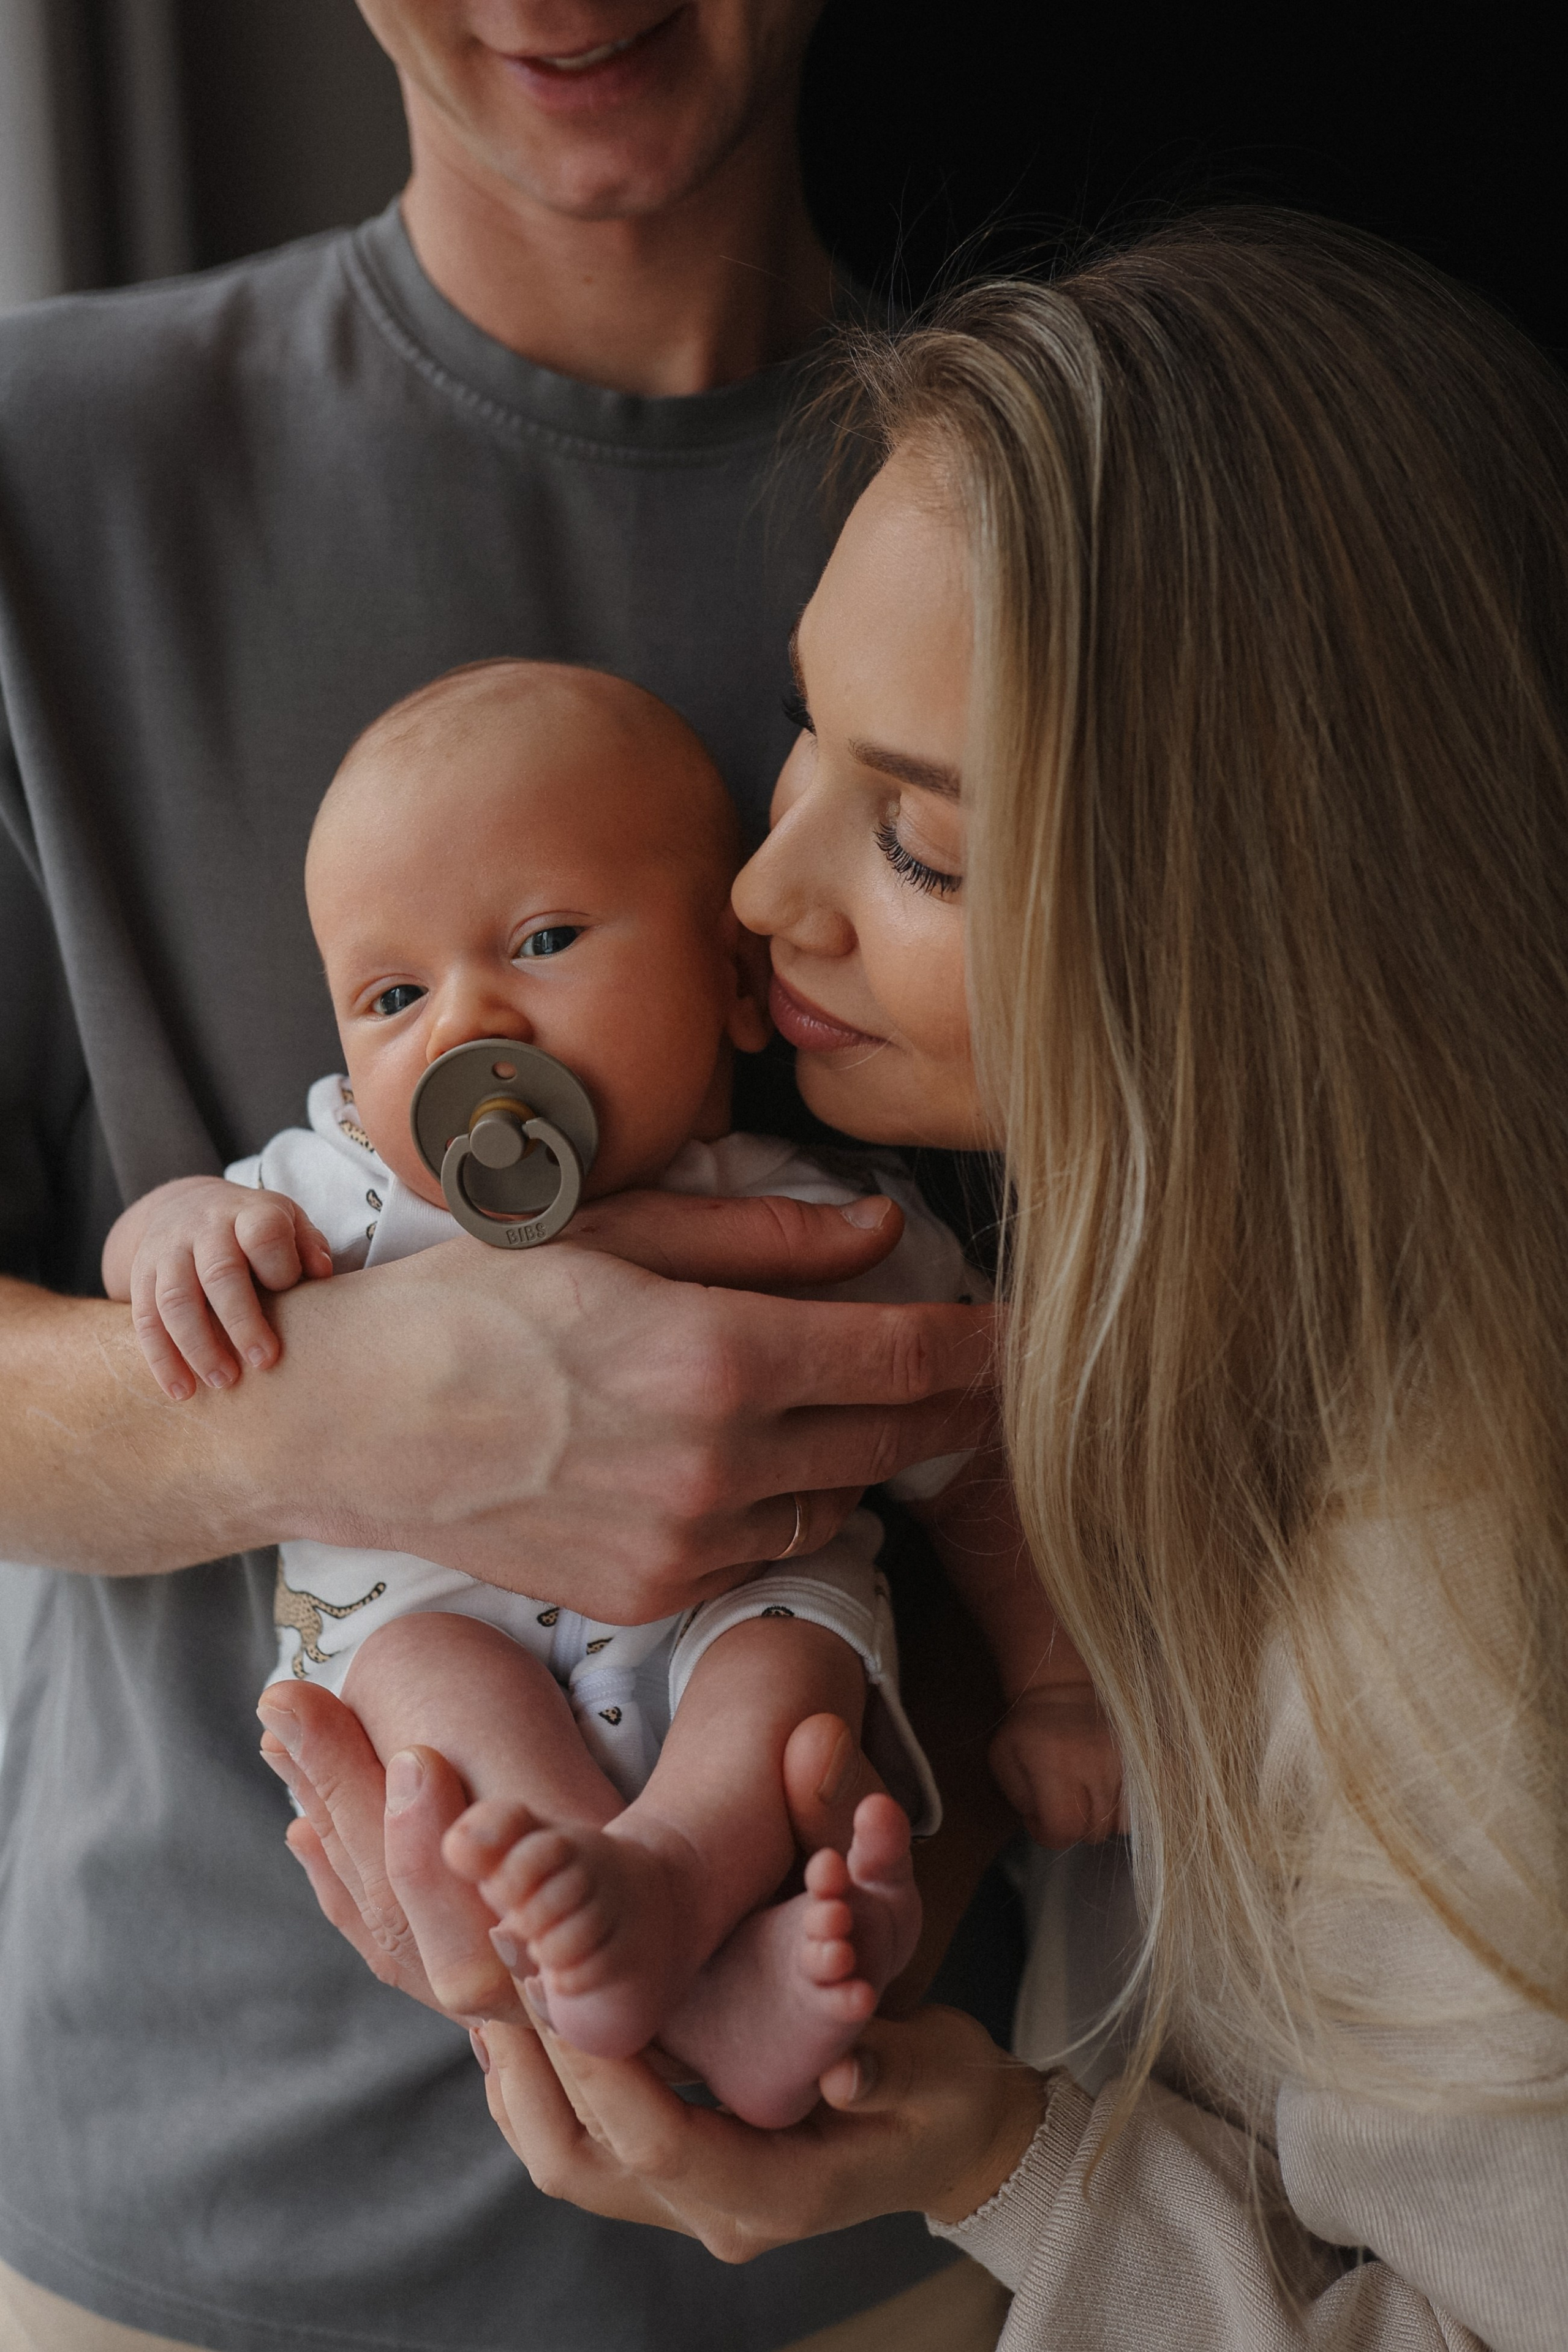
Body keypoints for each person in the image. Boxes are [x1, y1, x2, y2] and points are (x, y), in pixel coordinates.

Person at [295, 214, 1568, 2348]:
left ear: (1263, 932)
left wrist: (1003, 2162)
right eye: (806, 736)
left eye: (923, 846)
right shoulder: (1142, 1335)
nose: (756, 886)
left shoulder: (1443, 1638)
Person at [0, 6, 1024, 2346]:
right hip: (184, 2236)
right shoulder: (45, 473)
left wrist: (850, 1872)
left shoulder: (1031, 520)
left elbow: (1152, 1405)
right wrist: (345, 1415)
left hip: (901, 2204)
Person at [104, 655, 1119, 2126]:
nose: (461, 1024)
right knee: (429, 1689)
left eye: (545, 937)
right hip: (436, 1617)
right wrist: (181, 1231)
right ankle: (682, 1961)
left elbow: (980, 1465)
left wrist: (1051, 1686)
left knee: (784, 1663)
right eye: (391, 993)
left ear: (731, 976)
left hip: (731, 1614)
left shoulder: (838, 1234)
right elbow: (164, 1243)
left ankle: (680, 1890)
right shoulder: (341, 1190)